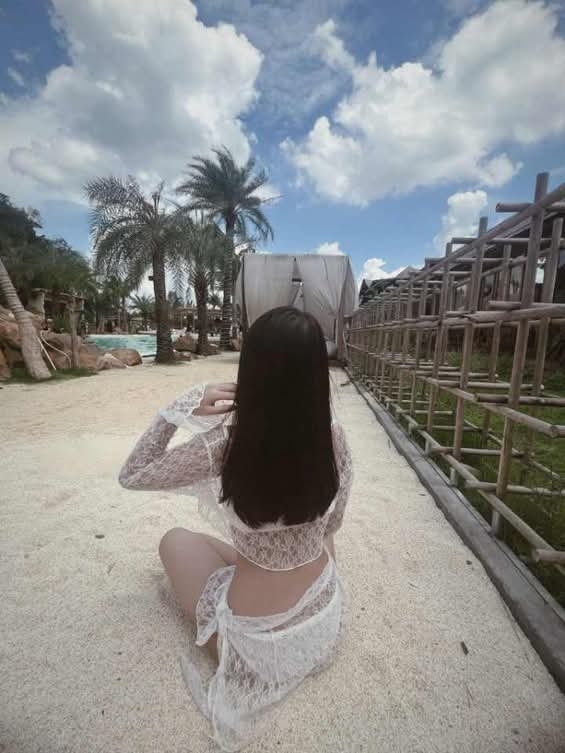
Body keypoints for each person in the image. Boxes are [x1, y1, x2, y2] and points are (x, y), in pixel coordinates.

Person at [118, 306, 353, 751]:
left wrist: (178, 408)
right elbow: (333, 524)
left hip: (256, 653)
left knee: (175, 540)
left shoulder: (224, 445)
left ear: (251, 371)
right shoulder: (333, 437)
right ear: (316, 374)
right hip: (323, 618)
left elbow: (133, 474)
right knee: (223, 549)